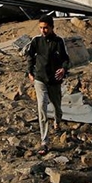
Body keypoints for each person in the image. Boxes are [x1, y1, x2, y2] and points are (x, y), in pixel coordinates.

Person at [26, 14, 70, 155]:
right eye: (41, 28)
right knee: (42, 107)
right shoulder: (36, 41)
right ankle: (44, 141)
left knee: (57, 107)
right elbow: (30, 56)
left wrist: (63, 69)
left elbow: (65, 59)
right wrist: (29, 71)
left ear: (51, 27)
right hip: (40, 79)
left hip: (54, 81)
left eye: (45, 28)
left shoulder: (58, 42)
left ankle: (57, 122)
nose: (43, 31)